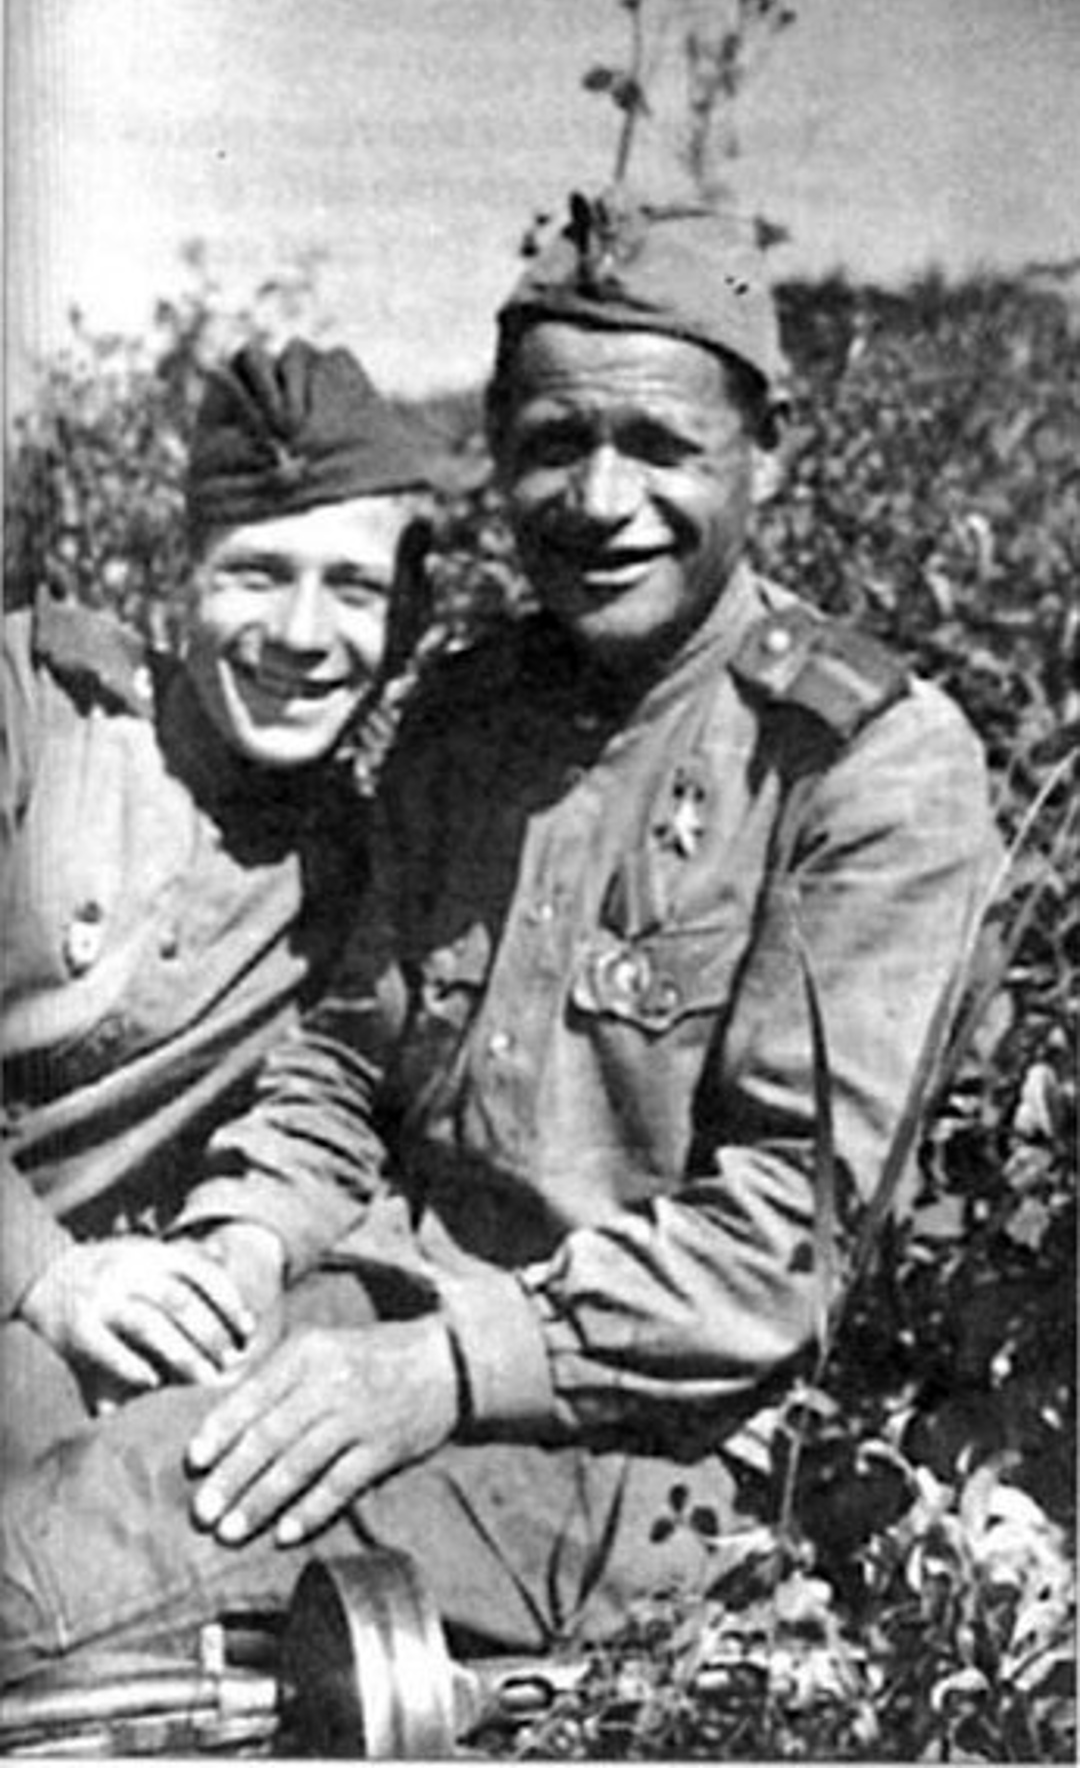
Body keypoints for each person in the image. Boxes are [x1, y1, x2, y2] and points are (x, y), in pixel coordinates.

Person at [0, 192, 1001, 1682]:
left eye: (659, 446)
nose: (599, 499)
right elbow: (345, 1067)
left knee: (45, 1568)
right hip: (358, 1325)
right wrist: (243, 1247)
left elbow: (775, 1250)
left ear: (768, 450)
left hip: (622, 1442)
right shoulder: (470, 718)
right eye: (553, 442)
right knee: (23, 1397)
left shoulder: (863, 768)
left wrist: (444, 1367)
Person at [0, 337, 435, 1462]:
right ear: (176, 574)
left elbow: (334, 1111)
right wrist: (42, 1273)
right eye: (256, 573)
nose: (301, 635)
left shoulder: (362, 866)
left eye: (353, 589)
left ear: (406, 624)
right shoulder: (32, 713)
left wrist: (235, 1254)